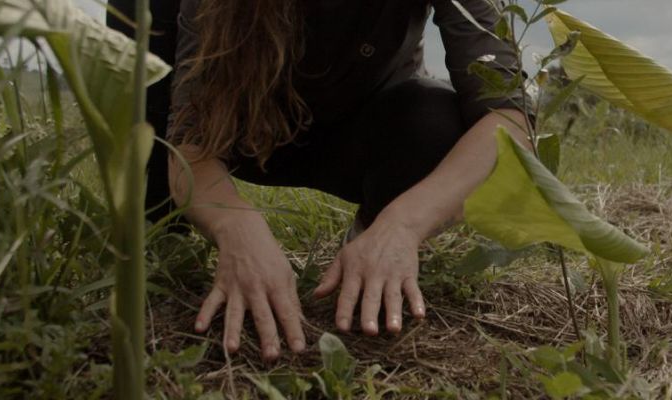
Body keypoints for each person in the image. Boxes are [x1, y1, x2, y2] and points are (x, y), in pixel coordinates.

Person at [107, 0, 532, 361]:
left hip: (364, 124)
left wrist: (403, 224)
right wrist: (234, 225)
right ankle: (160, 232)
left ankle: (369, 249)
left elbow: (508, 119)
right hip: (244, 127)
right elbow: (190, 145)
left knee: (434, 122)